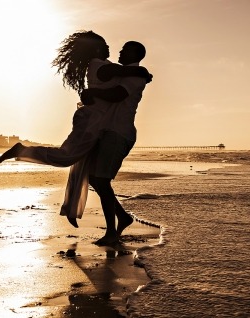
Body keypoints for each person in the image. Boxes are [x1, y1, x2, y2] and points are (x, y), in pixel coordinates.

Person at [0, 31, 151, 226]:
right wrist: (143, 72)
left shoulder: (109, 68)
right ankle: (22, 151)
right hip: (92, 120)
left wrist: (141, 74)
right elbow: (118, 85)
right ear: (96, 49)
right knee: (67, 156)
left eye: (123, 49)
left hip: (98, 122)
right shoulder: (99, 65)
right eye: (105, 46)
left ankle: (88, 211)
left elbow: (119, 88)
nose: (112, 49)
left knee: (82, 166)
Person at [77, 41, 150, 245]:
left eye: (125, 49)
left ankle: (112, 231)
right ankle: (123, 218)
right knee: (95, 179)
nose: (120, 51)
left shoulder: (135, 77)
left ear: (136, 54)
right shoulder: (130, 73)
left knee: (100, 180)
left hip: (119, 133)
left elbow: (117, 95)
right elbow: (107, 73)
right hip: (109, 132)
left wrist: (93, 93)